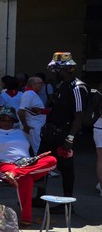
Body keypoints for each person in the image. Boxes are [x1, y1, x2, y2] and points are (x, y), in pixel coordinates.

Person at [0, 107, 56, 226]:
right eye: (3, 120)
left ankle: (17, 173)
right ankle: (26, 218)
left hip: (25, 164)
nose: (6, 123)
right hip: (5, 165)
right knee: (25, 179)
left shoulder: (20, 132)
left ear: (14, 121)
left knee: (52, 160)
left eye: (9, 120)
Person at [39, 52, 89, 198]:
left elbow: (79, 115)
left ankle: (67, 201)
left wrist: (70, 138)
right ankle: (40, 196)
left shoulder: (77, 87)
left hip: (64, 134)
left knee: (66, 168)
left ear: (64, 70)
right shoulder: (63, 86)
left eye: (57, 70)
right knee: (41, 164)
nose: (54, 73)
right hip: (51, 132)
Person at [19, 76, 47, 155]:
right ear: (33, 84)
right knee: (37, 149)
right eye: (40, 83)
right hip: (32, 127)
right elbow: (21, 111)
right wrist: (25, 126)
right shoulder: (29, 94)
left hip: (35, 126)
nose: (42, 85)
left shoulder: (32, 94)